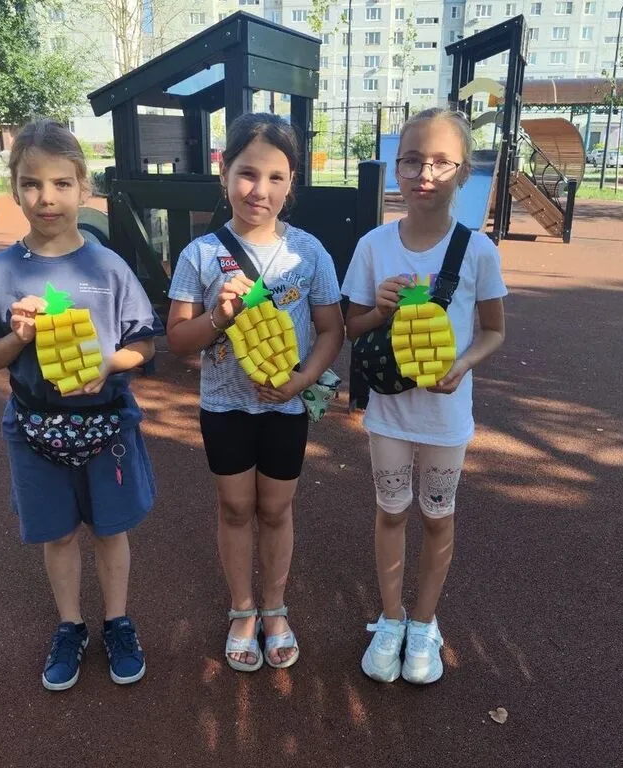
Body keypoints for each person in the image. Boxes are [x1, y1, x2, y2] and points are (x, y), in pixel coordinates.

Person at [0, 119, 163, 691]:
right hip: (33, 425)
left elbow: (145, 345)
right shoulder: (2, 271)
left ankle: (117, 622)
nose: (46, 198)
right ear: (15, 189)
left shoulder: (108, 267)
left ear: (83, 188)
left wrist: (106, 363)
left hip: (107, 424)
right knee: (57, 534)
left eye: (60, 183)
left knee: (110, 530)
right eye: (31, 184)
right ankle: (70, 625)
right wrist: (18, 336)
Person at [166, 113, 344, 672]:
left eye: (275, 177)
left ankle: (274, 607)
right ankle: (242, 608)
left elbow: (332, 329)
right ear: (224, 173)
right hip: (224, 406)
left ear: (291, 183)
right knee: (235, 507)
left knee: (276, 507)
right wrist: (219, 316)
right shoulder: (200, 254)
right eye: (246, 173)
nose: (258, 190)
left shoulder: (308, 252)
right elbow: (178, 340)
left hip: (286, 405)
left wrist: (302, 380)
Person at [341, 108, 507, 685]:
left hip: (445, 414)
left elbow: (494, 331)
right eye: (412, 160)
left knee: (438, 516)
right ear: (396, 168)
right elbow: (351, 327)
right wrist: (379, 310)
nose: (425, 174)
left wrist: (463, 365)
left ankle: (424, 623)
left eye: (441, 162)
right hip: (390, 412)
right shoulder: (373, 245)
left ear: (463, 171)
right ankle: (391, 619)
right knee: (391, 512)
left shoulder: (477, 250)